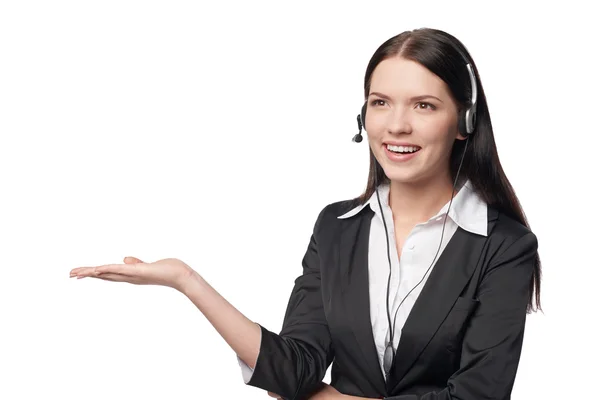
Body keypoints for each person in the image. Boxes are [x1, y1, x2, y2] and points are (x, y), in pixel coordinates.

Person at [69, 27, 542, 400]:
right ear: (364, 118)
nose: (397, 124)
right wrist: (185, 280)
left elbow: (478, 394)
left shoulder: (504, 246)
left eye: (423, 105)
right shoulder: (336, 229)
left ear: (463, 122)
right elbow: (294, 370)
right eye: (380, 103)